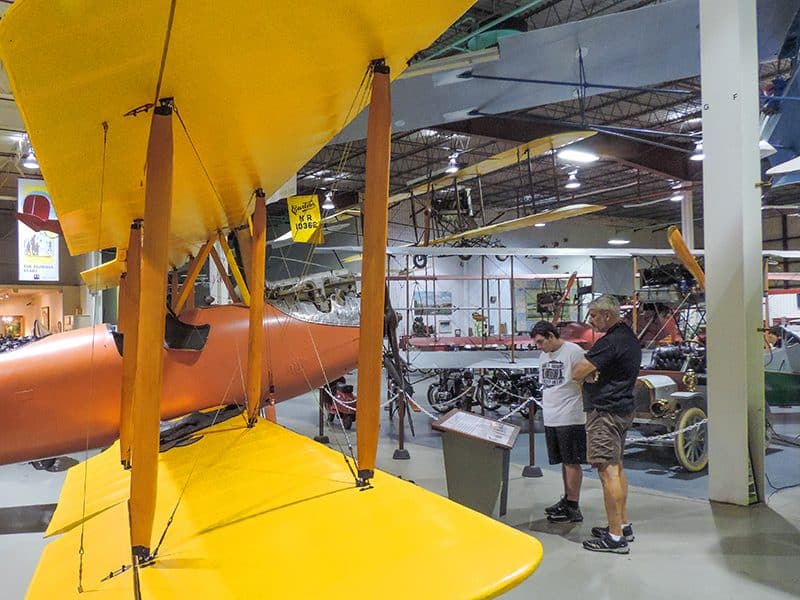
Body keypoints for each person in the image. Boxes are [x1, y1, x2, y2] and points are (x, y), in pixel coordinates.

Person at [572, 295, 641, 554]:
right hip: (622, 409)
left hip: (605, 413)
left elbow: (577, 372)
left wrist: (590, 376)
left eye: (594, 315)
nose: (591, 320)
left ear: (608, 316)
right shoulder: (628, 337)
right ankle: (622, 524)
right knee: (618, 467)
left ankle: (614, 538)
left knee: (607, 471)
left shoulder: (609, 342)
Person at [531, 321, 587, 523]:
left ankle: (574, 505)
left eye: (540, 341)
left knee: (572, 461)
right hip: (552, 415)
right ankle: (567, 498)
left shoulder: (573, 351)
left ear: (551, 336)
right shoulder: (544, 355)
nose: (539, 346)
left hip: (570, 415)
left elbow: (585, 379)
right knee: (563, 461)